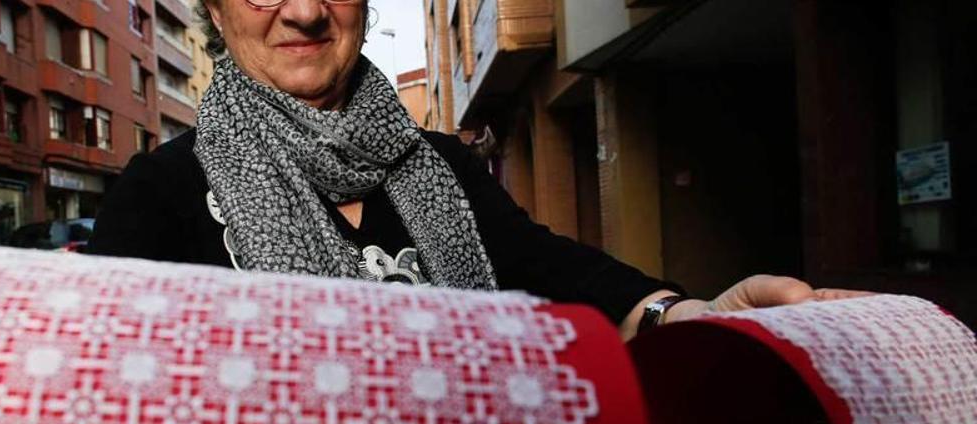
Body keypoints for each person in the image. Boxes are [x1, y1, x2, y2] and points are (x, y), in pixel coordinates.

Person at [87, 0, 864, 339]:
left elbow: (556, 274)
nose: (304, 12)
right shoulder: (157, 196)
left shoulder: (440, 166)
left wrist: (693, 317)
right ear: (217, 15)